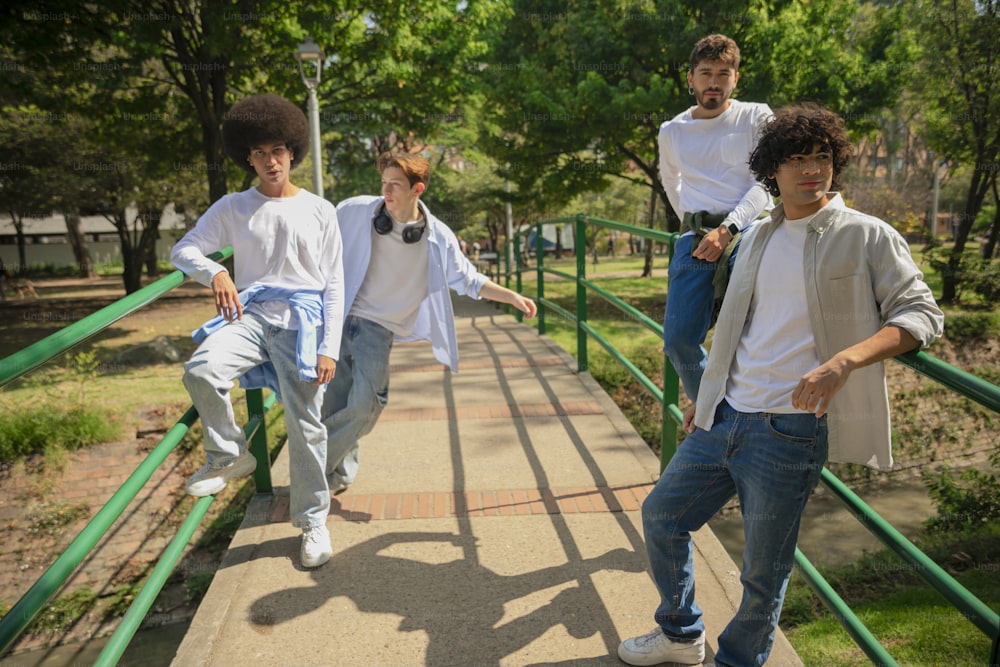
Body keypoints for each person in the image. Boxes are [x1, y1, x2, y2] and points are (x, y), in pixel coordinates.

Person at [618, 104, 945, 666]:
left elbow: (922, 315)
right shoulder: (758, 237)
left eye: (821, 157)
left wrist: (846, 360)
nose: (810, 169)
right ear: (772, 171)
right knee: (662, 517)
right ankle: (679, 632)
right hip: (724, 417)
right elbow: (737, 328)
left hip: (790, 429)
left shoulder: (867, 235)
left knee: (762, 572)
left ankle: (738, 661)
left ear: (835, 163)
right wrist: (707, 392)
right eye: (795, 159)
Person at [171, 94, 344, 569]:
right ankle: (229, 454)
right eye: (261, 153)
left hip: (303, 326)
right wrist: (218, 274)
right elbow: (183, 251)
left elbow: (334, 285)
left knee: (306, 425)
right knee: (202, 368)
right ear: (248, 157)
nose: (271, 161)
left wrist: (329, 347)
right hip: (250, 316)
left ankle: (313, 522)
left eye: (279, 151)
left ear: (292, 152)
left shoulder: (320, 210)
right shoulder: (233, 207)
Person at [323, 151, 537, 498]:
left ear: (417, 189)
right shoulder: (354, 210)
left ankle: (311, 464)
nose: (386, 192)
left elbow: (468, 279)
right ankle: (336, 475)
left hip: (377, 329)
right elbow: (318, 242)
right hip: (337, 318)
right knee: (336, 406)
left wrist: (511, 296)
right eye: (383, 184)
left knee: (365, 406)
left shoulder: (436, 237)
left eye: (394, 185)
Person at [659, 34, 774, 402]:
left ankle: (751, 411)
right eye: (705, 72)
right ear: (690, 78)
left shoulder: (756, 116)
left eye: (724, 73)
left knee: (749, 333)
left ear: (735, 79)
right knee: (677, 341)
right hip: (697, 238)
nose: (714, 82)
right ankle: (712, 411)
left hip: (751, 231)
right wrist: (697, 225)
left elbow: (767, 183)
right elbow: (672, 184)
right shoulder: (672, 131)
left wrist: (727, 228)